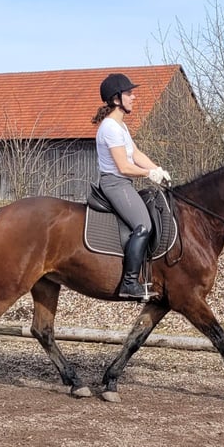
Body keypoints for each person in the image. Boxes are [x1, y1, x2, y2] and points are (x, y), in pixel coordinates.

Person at [92, 72, 171, 299]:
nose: (133, 97)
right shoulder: (110, 128)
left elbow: (135, 154)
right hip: (115, 183)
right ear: (117, 99)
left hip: (123, 182)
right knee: (143, 225)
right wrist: (149, 173)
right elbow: (124, 166)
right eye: (129, 93)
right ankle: (129, 283)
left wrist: (159, 170)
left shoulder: (121, 127)